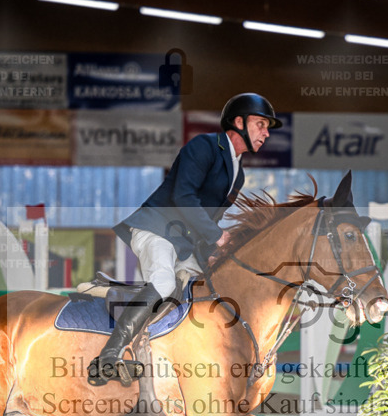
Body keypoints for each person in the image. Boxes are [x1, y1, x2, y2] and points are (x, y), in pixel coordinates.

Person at [87, 92, 282, 386]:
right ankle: (108, 357)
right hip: (156, 228)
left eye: (267, 128)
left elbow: (208, 219)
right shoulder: (204, 146)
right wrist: (217, 237)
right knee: (164, 284)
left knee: (209, 293)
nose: (266, 133)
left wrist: (212, 251)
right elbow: (183, 196)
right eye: (261, 124)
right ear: (238, 122)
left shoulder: (237, 174)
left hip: (184, 244)